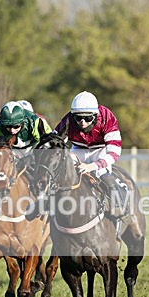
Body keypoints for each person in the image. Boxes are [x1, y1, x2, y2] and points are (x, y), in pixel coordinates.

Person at [54, 90, 130, 218]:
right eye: (78, 118)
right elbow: (54, 140)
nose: (82, 122)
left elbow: (115, 152)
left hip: (101, 150)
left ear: (95, 115)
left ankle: (120, 206)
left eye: (87, 118)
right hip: (79, 148)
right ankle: (42, 203)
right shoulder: (68, 119)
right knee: (61, 171)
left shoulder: (107, 117)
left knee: (103, 174)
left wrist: (92, 166)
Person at [0, 100, 52, 219]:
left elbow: (49, 143)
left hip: (35, 148)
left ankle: (45, 200)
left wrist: (32, 157)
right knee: (0, 167)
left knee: (43, 169)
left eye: (16, 126)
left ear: (22, 122)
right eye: (8, 127)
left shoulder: (36, 121)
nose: (12, 130)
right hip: (13, 150)